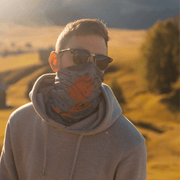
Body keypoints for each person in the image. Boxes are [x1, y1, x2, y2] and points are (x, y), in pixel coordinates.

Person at [0, 19, 147, 180]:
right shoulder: (19, 123)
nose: (91, 69)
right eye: (79, 57)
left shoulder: (129, 143)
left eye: (100, 61)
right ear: (55, 61)